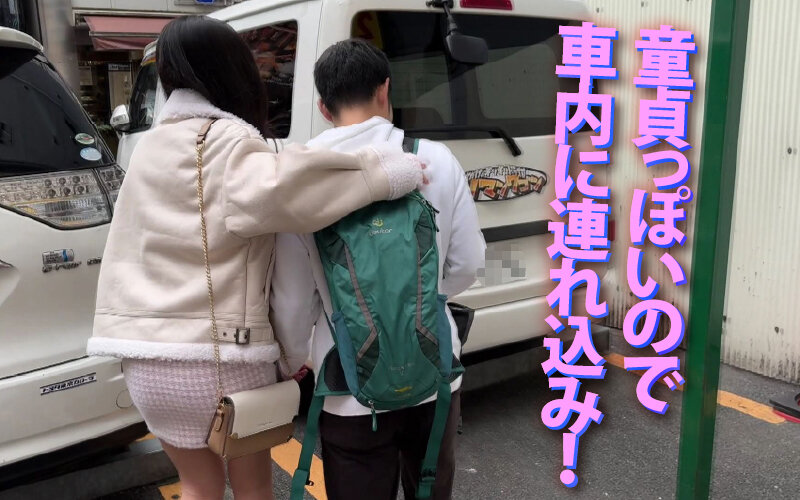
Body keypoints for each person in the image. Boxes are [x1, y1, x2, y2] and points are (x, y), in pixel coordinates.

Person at [87, 18, 426, 500]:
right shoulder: (226, 142)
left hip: (143, 359)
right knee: (252, 490)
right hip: (222, 359)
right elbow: (291, 192)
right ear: (233, 71)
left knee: (198, 485)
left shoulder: (147, 147)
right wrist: (388, 172)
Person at [271, 39, 486, 500]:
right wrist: (422, 299)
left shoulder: (301, 176)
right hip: (434, 371)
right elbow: (468, 263)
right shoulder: (435, 159)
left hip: (347, 386)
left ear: (324, 107)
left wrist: (291, 361)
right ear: (385, 89)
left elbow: (292, 301)